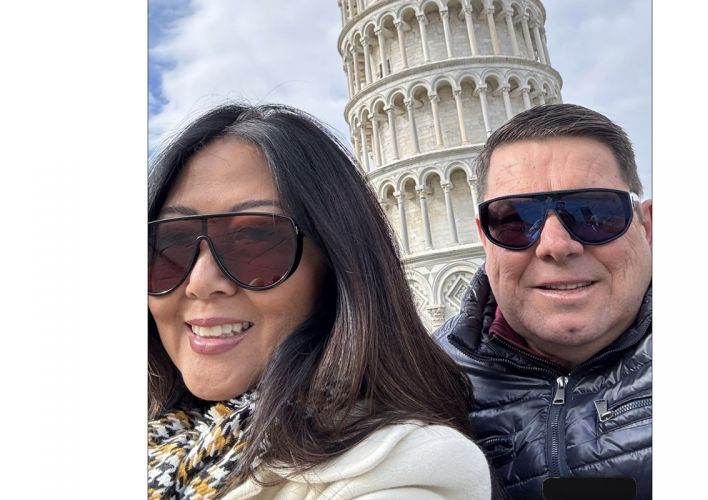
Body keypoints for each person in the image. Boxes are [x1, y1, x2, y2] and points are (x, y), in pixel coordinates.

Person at [147, 103, 491, 499]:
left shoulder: (397, 473)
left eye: (255, 238)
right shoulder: (163, 442)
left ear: (336, 264)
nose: (200, 282)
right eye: (170, 245)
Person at [434, 104, 652, 500]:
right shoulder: (418, 384)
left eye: (594, 213)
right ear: (485, 237)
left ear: (648, 225)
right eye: (514, 219)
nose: (556, 245)